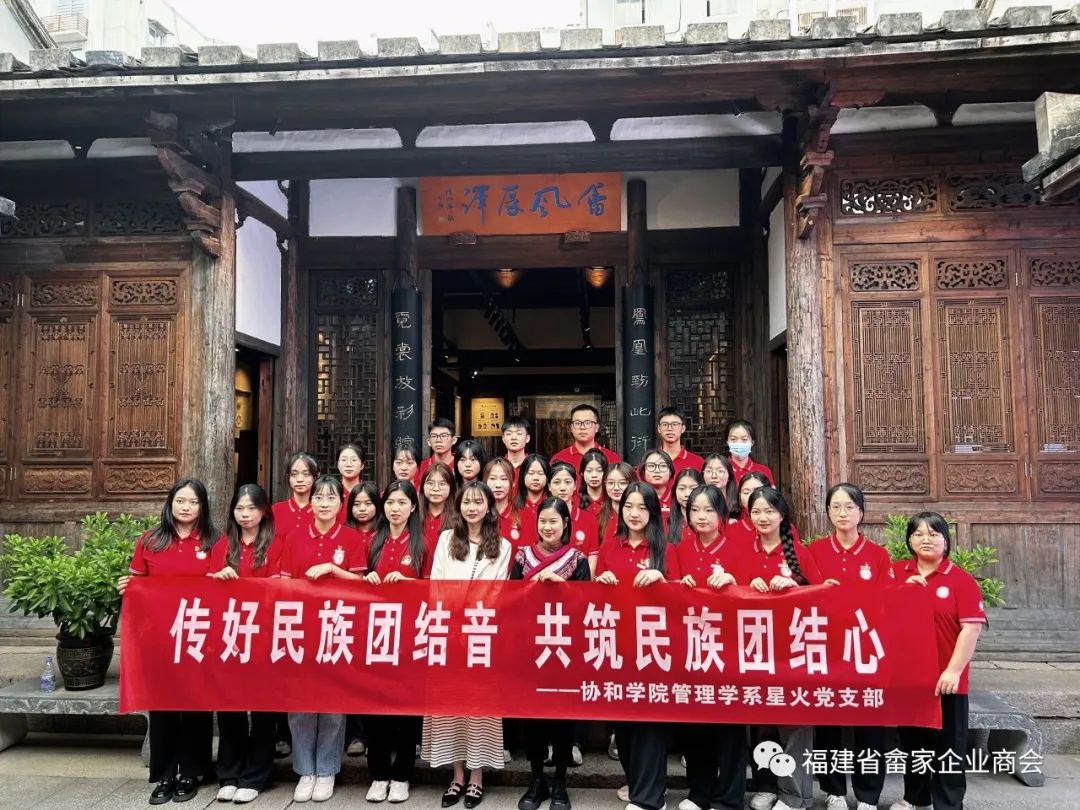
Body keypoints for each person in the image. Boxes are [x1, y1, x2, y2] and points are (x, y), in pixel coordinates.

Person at [118, 479, 221, 805]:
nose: (186, 507)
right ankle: (164, 774)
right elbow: (137, 582)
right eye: (180, 501)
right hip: (159, 638)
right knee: (162, 706)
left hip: (198, 637)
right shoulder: (150, 540)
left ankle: (192, 771)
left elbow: (221, 590)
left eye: (193, 502)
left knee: (196, 705)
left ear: (202, 507)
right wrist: (128, 587)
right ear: (170, 503)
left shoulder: (215, 542)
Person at [423, 482, 513, 810]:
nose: (471, 508)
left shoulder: (503, 545)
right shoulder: (447, 539)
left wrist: (471, 623)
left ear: (489, 508)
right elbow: (436, 585)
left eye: (478, 502)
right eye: (466, 502)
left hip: (480, 634)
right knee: (450, 705)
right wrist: (448, 624)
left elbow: (498, 590)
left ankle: (477, 776)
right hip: (447, 632)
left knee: (478, 707)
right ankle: (457, 774)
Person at [278, 475, 367, 803]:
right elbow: (284, 583)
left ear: (340, 503)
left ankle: (327, 769)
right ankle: (305, 770)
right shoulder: (294, 537)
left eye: (331, 498)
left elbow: (361, 583)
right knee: (300, 703)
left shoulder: (351, 538)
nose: (324, 503)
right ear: (310, 502)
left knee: (332, 703)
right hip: (301, 628)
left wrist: (332, 569)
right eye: (319, 497)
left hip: (337, 627)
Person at [890, 512, 986, 810]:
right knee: (912, 743)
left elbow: (971, 628)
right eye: (918, 534)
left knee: (949, 747)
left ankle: (948, 803)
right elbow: (876, 611)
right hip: (909, 678)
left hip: (947, 680)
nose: (926, 539)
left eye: (933, 534)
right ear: (909, 540)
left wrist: (953, 671)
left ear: (946, 540)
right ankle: (914, 798)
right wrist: (901, 591)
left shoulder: (961, 580)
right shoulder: (896, 573)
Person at [808, 484, 893, 810]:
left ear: (861, 512)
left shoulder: (877, 555)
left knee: (869, 723)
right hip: (826, 647)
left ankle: (868, 795)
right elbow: (806, 594)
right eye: (836, 507)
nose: (842, 513)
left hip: (865, 649)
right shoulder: (815, 551)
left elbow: (888, 602)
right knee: (828, 721)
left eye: (849, 507)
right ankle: (834, 791)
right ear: (828, 512)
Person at [595, 482, 677, 810]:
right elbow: (595, 594)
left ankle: (650, 797)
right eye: (629, 506)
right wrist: (601, 583)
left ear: (654, 512)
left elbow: (683, 595)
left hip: (655, 646)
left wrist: (661, 580)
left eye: (643, 507)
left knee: (649, 722)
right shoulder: (610, 546)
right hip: (618, 644)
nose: (634, 513)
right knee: (625, 723)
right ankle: (639, 784)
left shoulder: (666, 548)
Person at [742, 487, 822, 810]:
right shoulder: (743, 552)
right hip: (754, 648)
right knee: (761, 720)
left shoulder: (799, 553)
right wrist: (745, 587)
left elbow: (821, 596)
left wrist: (794, 587)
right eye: (756, 512)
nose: (763, 518)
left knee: (794, 722)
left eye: (769, 511)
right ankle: (765, 786)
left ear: (782, 515)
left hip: (794, 650)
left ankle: (794, 795)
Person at [511, 497, 590, 810]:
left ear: (565, 524)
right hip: (530, 648)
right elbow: (510, 599)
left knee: (562, 718)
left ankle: (560, 781)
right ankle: (536, 780)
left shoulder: (577, 559)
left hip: (563, 649)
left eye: (554, 521)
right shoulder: (522, 557)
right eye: (543, 521)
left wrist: (561, 586)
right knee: (533, 718)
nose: (548, 527)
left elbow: (587, 605)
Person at [208, 484, 282, 804]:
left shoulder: (277, 545)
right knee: (230, 707)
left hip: (264, 634)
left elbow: (282, 589)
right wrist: (219, 580)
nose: (245, 514)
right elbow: (206, 591)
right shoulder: (222, 546)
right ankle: (229, 772)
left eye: (252, 508)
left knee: (263, 709)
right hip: (230, 634)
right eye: (240, 508)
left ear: (264, 511)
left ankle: (255, 774)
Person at [674, 484, 745, 810]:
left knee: (729, 726)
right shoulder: (680, 549)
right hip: (691, 647)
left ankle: (729, 798)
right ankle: (699, 792)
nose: (701, 516)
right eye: (694, 510)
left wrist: (732, 582)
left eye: (708, 510)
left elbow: (753, 593)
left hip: (729, 648)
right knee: (694, 723)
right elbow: (670, 592)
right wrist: (680, 585)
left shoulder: (738, 548)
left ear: (721, 514)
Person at [363, 480, 427, 804]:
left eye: (402, 503)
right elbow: (357, 583)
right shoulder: (373, 541)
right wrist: (367, 579)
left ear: (413, 507)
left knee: (407, 707)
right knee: (375, 705)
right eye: (390, 502)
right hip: (377, 633)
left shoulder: (422, 544)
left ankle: (402, 774)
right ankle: (378, 774)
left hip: (411, 634)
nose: (395, 509)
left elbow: (433, 588)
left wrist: (408, 584)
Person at [343, 481, 381, 757]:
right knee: (352, 674)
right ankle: (356, 735)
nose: (363, 509)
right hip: (348, 613)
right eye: (357, 504)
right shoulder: (343, 534)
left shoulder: (384, 534)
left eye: (368, 503)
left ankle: (375, 735)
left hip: (380, 614)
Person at [547, 461, 600, 564]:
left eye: (568, 482)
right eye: (557, 482)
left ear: (575, 485)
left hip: (581, 573)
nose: (562, 488)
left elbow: (593, 554)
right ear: (549, 486)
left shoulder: (589, 519)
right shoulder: (539, 517)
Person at [550, 403, 620, 469]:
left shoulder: (612, 458)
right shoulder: (559, 459)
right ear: (571, 428)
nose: (582, 427)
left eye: (588, 423)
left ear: (596, 428)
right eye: (577, 423)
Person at [484, 458, 534, 549]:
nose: (498, 485)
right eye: (493, 478)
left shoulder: (525, 514)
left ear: (513, 482)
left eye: (504, 479)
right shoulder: (478, 513)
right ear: (485, 482)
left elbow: (526, 552)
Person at [272, 452, 318, 539]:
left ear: (315, 476)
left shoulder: (321, 510)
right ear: (288, 477)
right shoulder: (276, 509)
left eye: (306, 474)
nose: (299, 479)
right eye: (294, 474)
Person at [420, 462, 458, 559]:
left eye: (442, 484)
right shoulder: (413, 516)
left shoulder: (459, 518)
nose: (436, 489)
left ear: (451, 487)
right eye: (430, 483)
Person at [726, 472, 772, 546]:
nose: (751, 496)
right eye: (746, 492)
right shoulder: (731, 525)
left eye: (757, 491)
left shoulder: (780, 523)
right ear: (739, 497)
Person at [597, 462, 636, 548]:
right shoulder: (597, 515)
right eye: (611, 483)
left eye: (622, 483)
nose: (616, 488)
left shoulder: (639, 515)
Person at [656, 407, 704, 474]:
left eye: (674, 424)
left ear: (683, 428)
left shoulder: (698, 462)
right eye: (665, 424)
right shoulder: (650, 461)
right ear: (659, 428)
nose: (669, 428)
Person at [725, 419, 773, 486]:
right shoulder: (721, 470)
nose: (739, 443)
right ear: (727, 442)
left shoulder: (763, 471)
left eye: (744, 439)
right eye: (733, 439)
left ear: (752, 442)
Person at [665, 468, 704, 545]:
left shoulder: (713, 522)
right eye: (682, 488)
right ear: (675, 491)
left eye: (693, 488)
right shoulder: (665, 524)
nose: (687, 494)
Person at [638, 449, 675, 523]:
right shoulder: (636, 497)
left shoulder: (677, 498)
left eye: (663, 466)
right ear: (643, 471)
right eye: (651, 466)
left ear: (670, 472)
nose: (657, 471)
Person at [336, 443, 366, 524]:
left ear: (362, 465)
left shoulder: (369, 492)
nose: (348, 464)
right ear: (338, 464)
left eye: (353, 460)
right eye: (344, 460)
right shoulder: (333, 492)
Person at [701, 453, 738, 517]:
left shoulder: (739, 502)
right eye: (709, 471)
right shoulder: (696, 501)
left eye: (720, 471)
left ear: (729, 476)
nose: (714, 476)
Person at [578, 448, 609, 516]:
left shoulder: (611, 498)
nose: (594, 475)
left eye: (599, 470)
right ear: (582, 473)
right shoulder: (575, 499)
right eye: (589, 471)